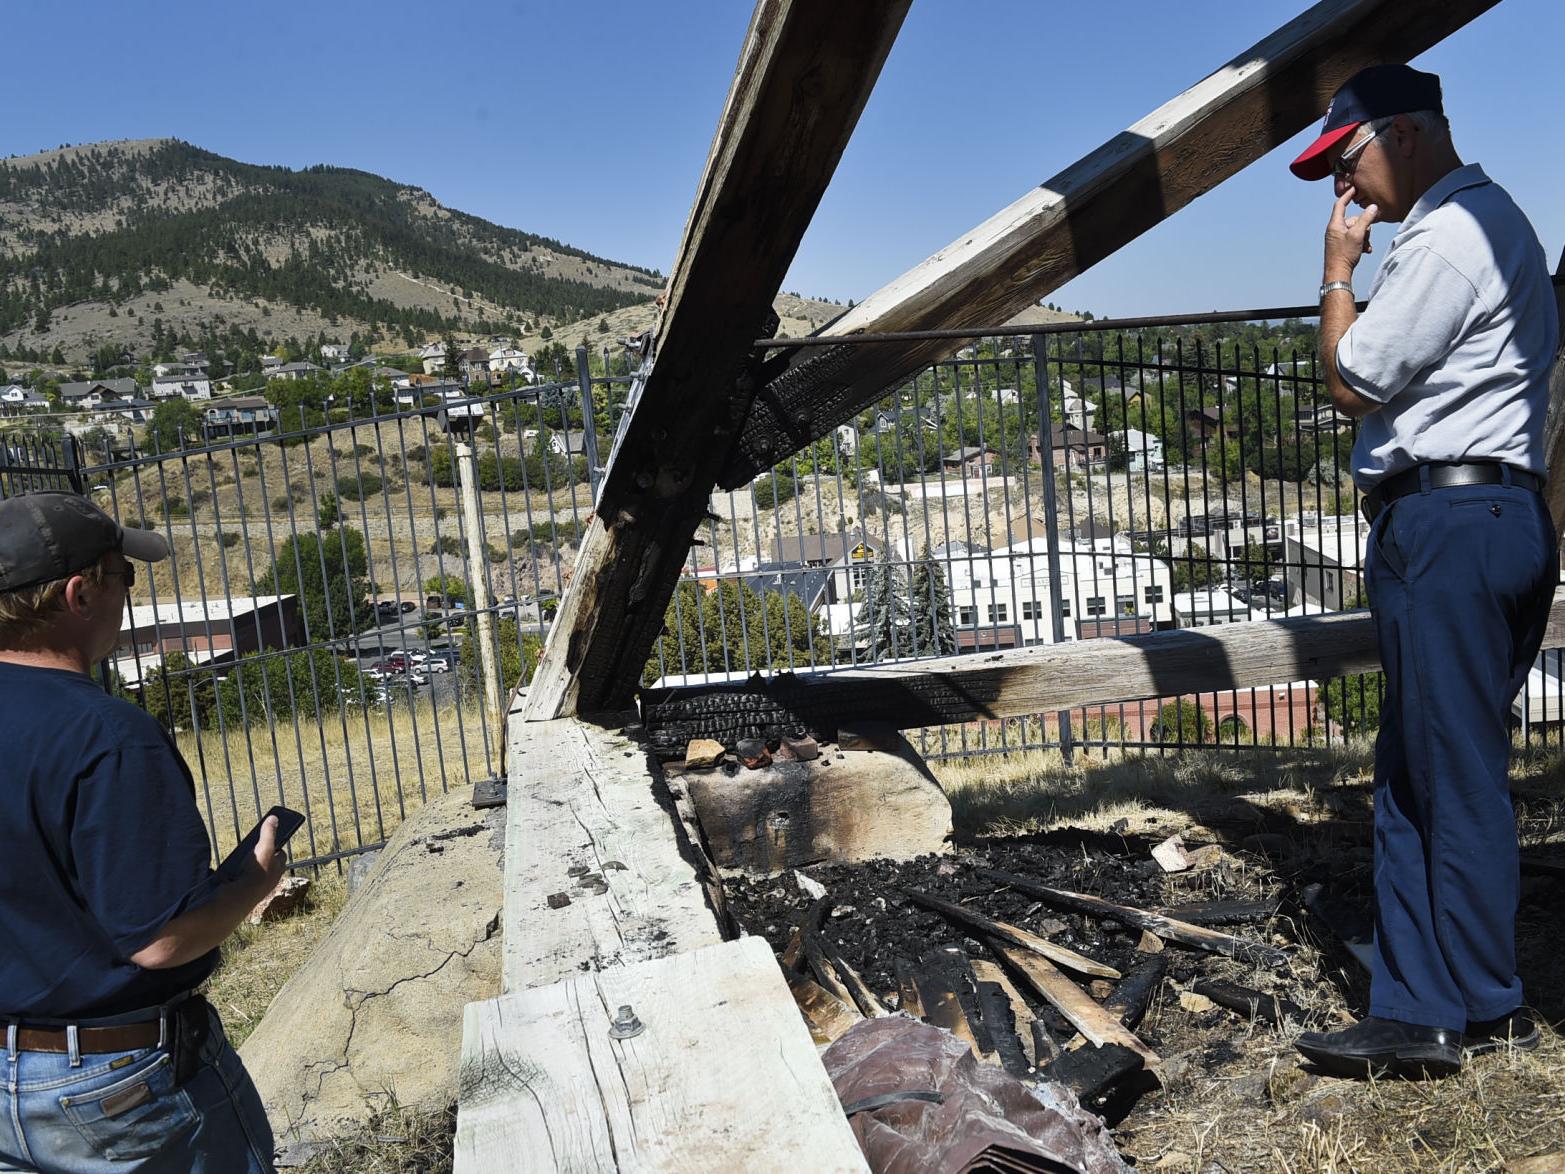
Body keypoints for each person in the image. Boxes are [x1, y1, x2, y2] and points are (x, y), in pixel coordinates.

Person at [1286, 64, 1559, 1078]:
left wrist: (1334, 272)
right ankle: (1459, 998)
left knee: (1435, 774)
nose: (1342, 194)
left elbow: (1352, 377)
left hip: (1443, 521)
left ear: (1399, 135)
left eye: (1344, 161)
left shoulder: (1447, 235)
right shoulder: (1494, 225)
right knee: (1431, 767)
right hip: (1488, 513)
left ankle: (1444, 1012)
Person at [0, 492, 285, 1170]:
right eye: (124, 575)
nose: (128, 594)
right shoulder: (107, 736)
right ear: (80, 592)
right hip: (119, 1086)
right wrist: (255, 881)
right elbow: (161, 939)